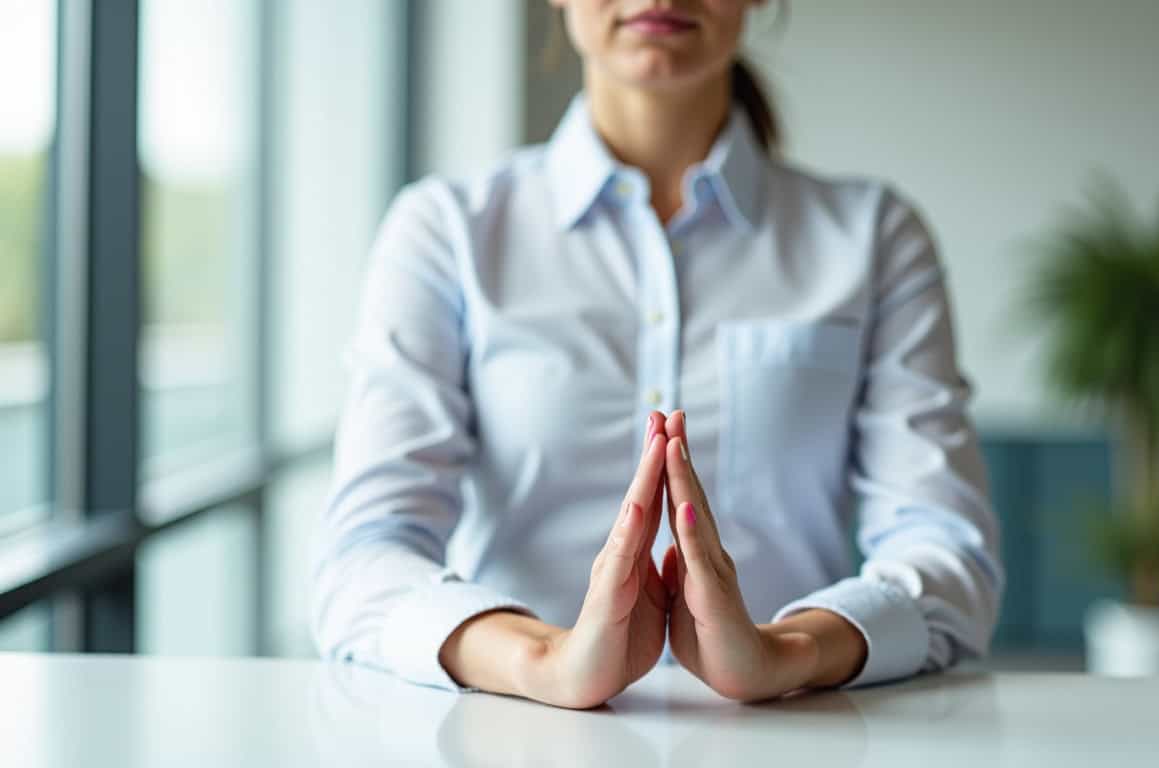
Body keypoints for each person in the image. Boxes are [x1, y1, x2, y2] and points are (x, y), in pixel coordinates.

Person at [311, 0, 1001, 710]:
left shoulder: (876, 238)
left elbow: (946, 555)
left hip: (792, 732)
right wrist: (542, 660)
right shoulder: (447, 233)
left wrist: (786, 652)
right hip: (512, 736)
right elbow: (362, 560)